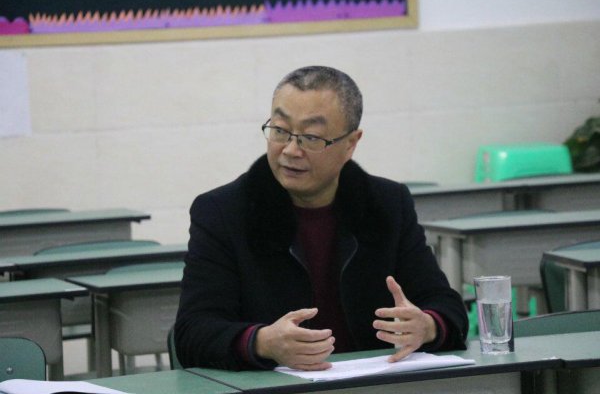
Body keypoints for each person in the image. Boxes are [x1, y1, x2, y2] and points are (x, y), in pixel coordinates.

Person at [175, 66, 468, 371]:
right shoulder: (223, 212)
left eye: (311, 137)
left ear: (351, 144)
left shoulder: (387, 204)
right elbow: (192, 333)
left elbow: (447, 308)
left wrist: (426, 326)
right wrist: (262, 343)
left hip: (375, 382)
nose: (290, 150)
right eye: (280, 131)